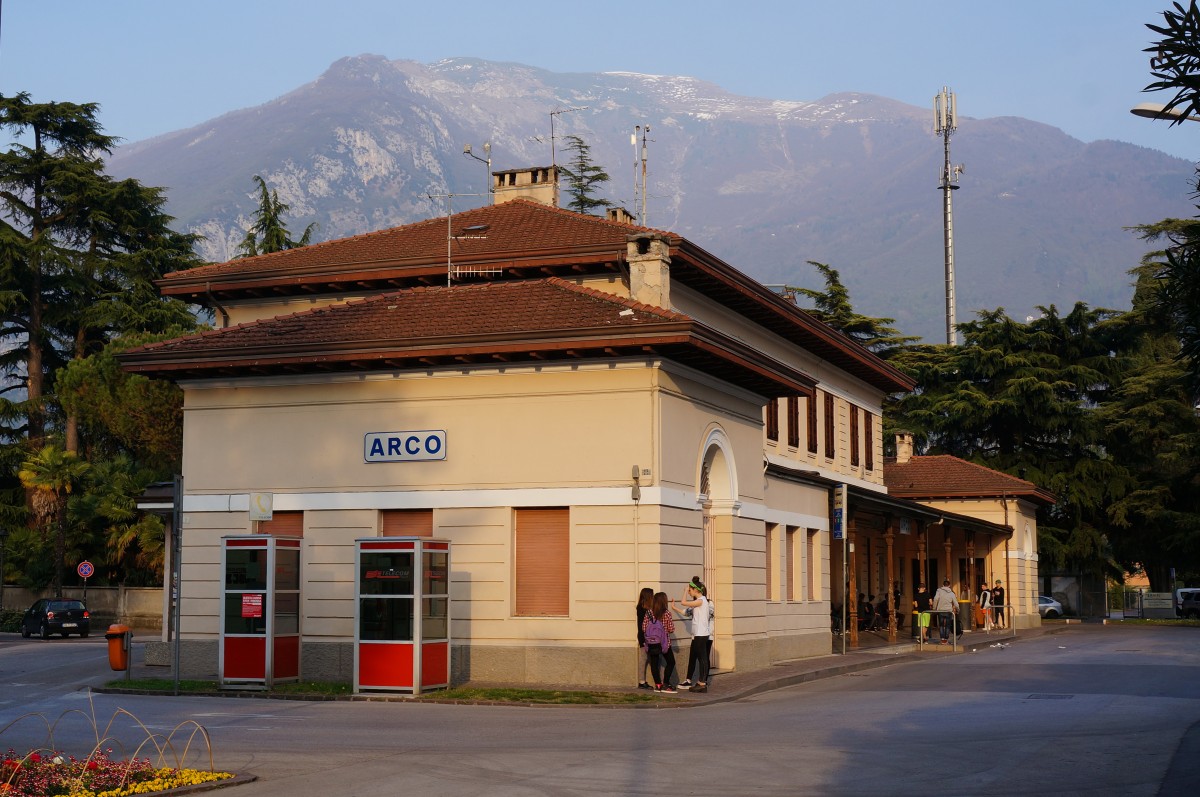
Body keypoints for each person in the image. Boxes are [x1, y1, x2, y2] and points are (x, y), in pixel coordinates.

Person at [671, 577, 712, 693]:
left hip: (701, 634)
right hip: (697, 634)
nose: (689, 592)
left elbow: (683, 602)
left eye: (690, 590)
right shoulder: (698, 602)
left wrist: (685, 590)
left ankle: (702, 683)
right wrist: (674, 608)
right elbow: (686, 611)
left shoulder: (701, 600)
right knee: (699, 657)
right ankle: (699, 682)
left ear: (695, 590)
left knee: (702, 658)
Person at [642, 591, 678, 693]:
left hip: (652, 642)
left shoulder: (649, 613)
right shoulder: (666, 613)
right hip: (664, 643)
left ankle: (658, 685)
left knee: (654, 663)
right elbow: (671, 629)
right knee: (671, 662)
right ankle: (665, 683)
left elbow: (644, 628)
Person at [635, 587, 654, 689]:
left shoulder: (646, 609)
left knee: (652, 659)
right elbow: (641, 625)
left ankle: (658, 681)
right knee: (644, 659)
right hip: (644, 637)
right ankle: (642, 681)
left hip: (648, 637)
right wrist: (642, 640)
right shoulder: (642, 609)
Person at [931, 578, 958, 644]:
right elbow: (956, 603)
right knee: (947, 625)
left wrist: (934, 608)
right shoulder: (951, 593)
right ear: (949, 585)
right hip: (949, 611)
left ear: (943, 585)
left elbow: (936, 599)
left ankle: (942, 639)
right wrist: (958, 610)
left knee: (941, 625)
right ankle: (946, 639)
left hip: (940, 610)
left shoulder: (939, 591)